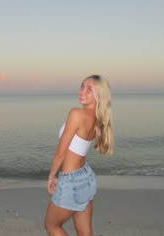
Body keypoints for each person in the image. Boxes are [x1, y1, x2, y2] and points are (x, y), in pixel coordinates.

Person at [44, 75, 114, 236]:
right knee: (84, 232)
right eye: (82, 86)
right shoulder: (97, 118)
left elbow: (61, 153)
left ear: (100, 95)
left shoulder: (76, 114)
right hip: (86, 177)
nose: (82, 91)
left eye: (90, 89)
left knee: (52, 226)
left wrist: (51, 177)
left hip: (71, 181)